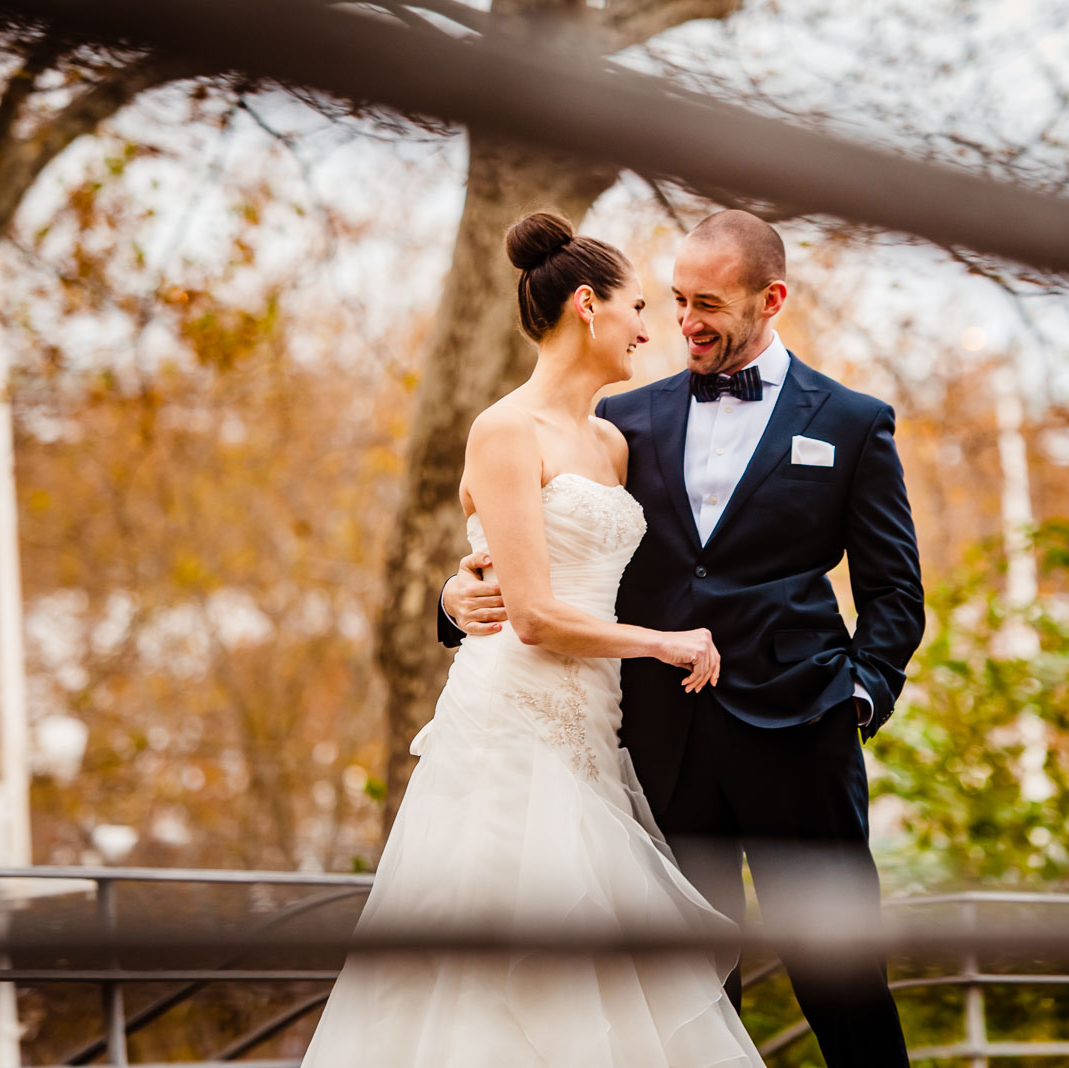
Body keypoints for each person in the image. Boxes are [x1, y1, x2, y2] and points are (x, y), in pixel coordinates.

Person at [440, 209, 925, 1067]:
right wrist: (452, 600)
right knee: (687, 992)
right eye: (674, 300)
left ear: (771, 299)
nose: (685, 323)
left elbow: (894, 591)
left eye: (708, 303)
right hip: (658, 744)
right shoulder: (623, 422)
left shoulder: (851, 422)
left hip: (801, 732)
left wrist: (858, 694)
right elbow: (538, 553)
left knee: (842, 981)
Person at [301, 211, 766, 1067]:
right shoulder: (503, 428)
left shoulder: (614, 443)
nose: (647, 327)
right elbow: (533, 611)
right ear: (587, 306)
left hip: (595, 725)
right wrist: (662, 643)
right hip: (510, 722)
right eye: (636, 306)